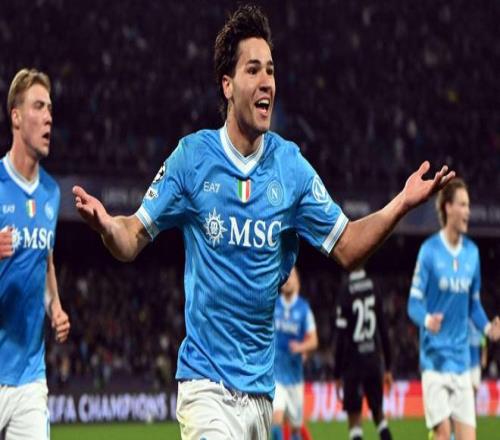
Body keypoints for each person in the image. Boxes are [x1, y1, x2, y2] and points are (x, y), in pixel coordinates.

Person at [72, 4, 454, 439]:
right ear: (228, 85)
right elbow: (132, 236)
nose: (267, 81)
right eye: (253, 70)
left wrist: (401, 204)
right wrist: (107, 225)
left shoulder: (290, 167)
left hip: (260, 397)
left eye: (270, 70)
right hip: (205, 386)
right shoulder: (192, 159)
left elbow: (347, 246)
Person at [0, 68, 70, 439]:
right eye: (38, 107)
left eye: (50, 109)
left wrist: (54, 306)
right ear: (16, 116)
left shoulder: (51, 193)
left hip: (29, 376)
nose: (48, 117)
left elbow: (45, 261)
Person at [407, 177, 500, 440]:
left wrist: (488, 329)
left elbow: (474, 304)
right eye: (462, 204)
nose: (468, 211)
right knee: (443, 434)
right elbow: (413, 303)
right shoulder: (429, 251)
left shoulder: (472, 253)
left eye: (468, 205)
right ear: (448, 207)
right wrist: (427, 320)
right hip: (434, 363)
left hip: (462, 363)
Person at [334, 268, 393, 440]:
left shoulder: (345, 290)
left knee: (354, 421)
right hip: (373, 361)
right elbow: (383, 330)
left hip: (352, 363)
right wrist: (388, 367)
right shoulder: (373, 286)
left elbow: (340, 338)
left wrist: (336, 373)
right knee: (379, 416)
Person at [272, 267, 317, 440]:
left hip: (295, 378)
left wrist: (300, 347)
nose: (288, 279)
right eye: (286, 275)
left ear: (297, 281)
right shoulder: (274, 305)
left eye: (292, 275)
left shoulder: (304, 309)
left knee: (296, 429)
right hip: (276, 376)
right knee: (276, 420)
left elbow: (314, 341)